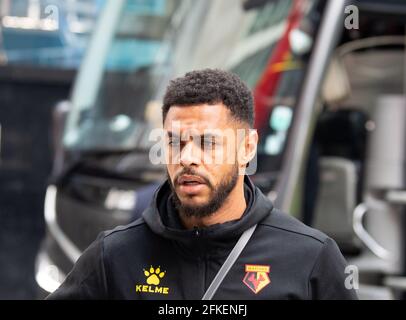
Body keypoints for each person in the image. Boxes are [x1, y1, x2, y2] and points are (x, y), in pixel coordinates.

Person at [47, 69, 358, 300]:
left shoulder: (310, 258)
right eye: (175, 143)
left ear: (247, 148)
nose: (187, 158)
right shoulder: (114, 256)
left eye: (207, 142)